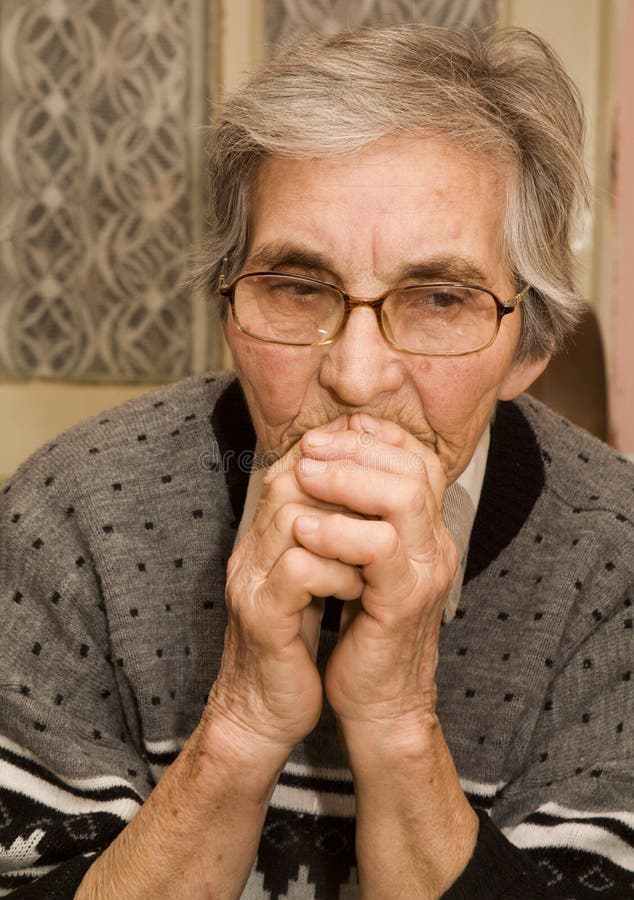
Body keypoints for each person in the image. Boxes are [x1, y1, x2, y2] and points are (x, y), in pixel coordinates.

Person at [0, 24, 632, 900]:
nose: (357, 377)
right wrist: (242, 723)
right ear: (229, 307)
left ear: (529, 346)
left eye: (440, 299)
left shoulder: (619, 567)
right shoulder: (67, 515)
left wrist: (397, 724)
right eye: (298, 290)